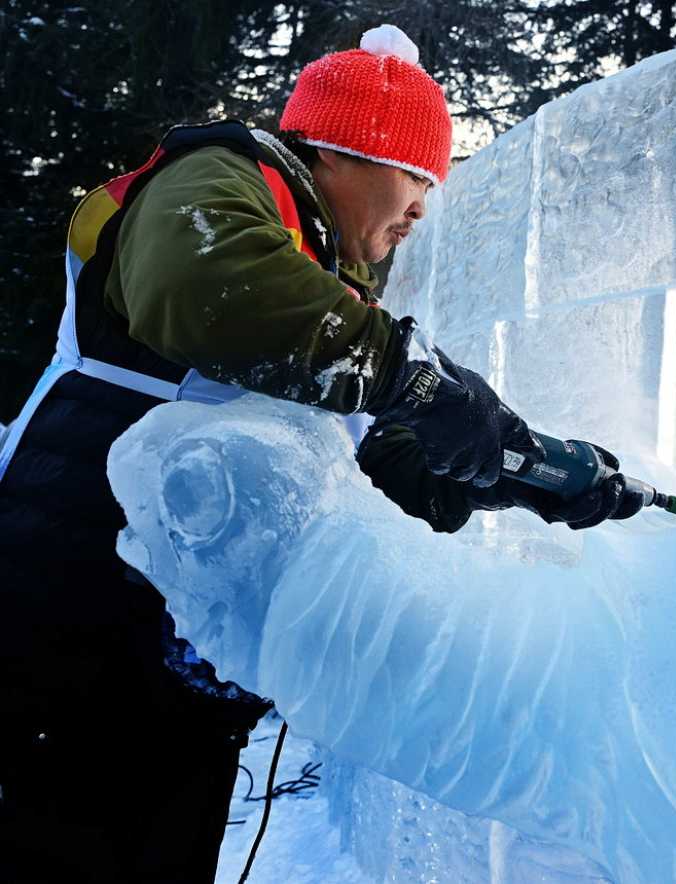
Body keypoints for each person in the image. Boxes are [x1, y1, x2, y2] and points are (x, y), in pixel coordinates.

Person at [0, 24, 640, 883]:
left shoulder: (328, 294)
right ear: (341, 152)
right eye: (415, 174)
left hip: (171, 643)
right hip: (65, 598)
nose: (422, 206)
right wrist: (414, 379)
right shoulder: (220, 177)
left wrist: (515, 472)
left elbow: (382, 470)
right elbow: (205, 288)